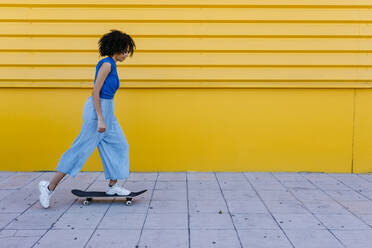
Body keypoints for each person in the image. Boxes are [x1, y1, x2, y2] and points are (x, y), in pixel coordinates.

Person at [38, 30, 136, 208]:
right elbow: (95, 91)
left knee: (120, 145)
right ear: (117, 48)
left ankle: (113, 186)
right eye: (125, 50)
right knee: (81, 149)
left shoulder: (112, 64)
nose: (127, 54)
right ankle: (49, 187)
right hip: (97, 111)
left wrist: (106, 116)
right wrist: (100, 118)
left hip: (108, 110)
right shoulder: (106, 64)